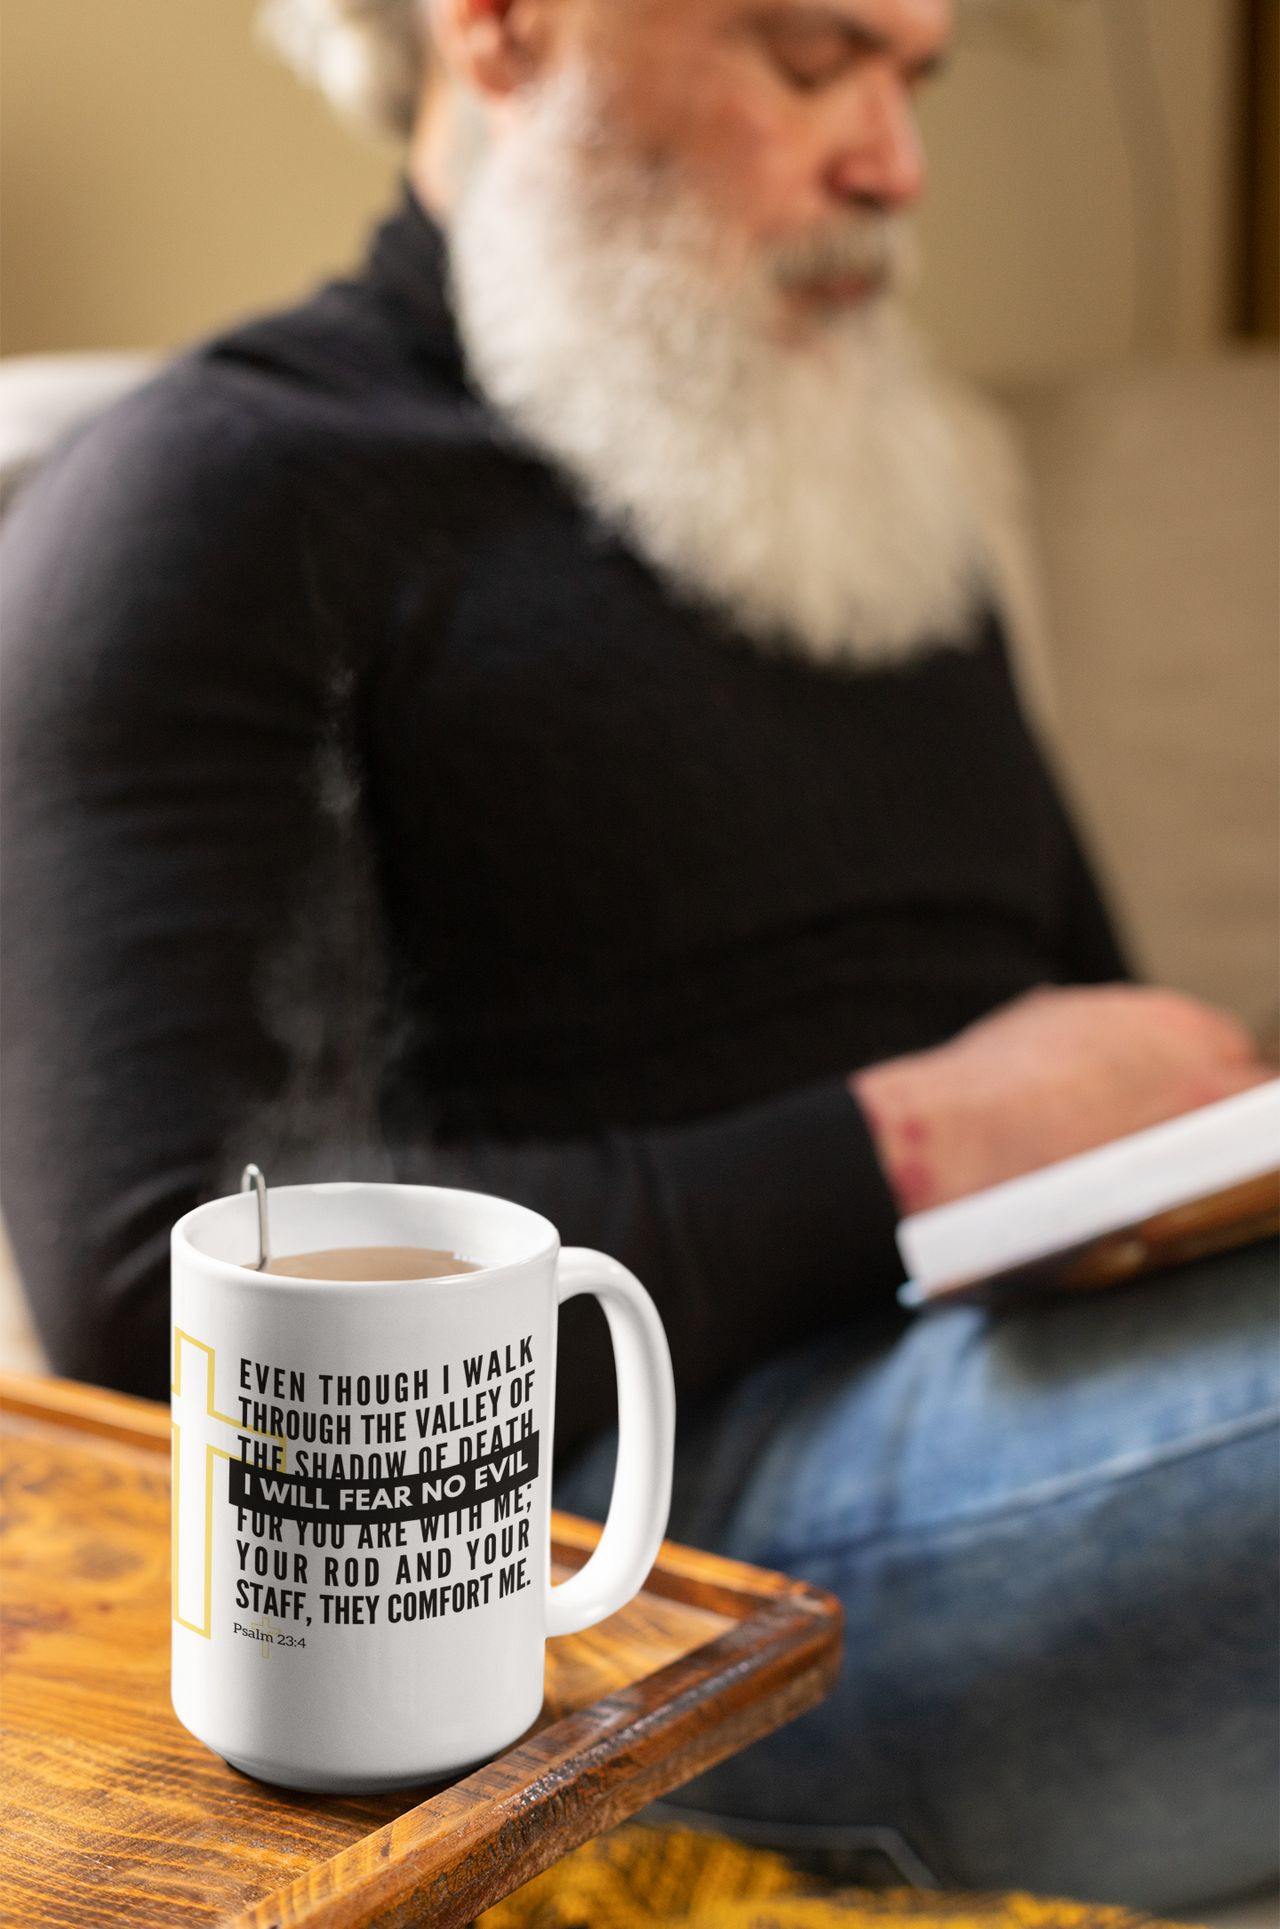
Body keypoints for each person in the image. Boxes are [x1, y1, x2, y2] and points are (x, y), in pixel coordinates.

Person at [1, 0, 1274, 1905]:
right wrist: (910, 1145)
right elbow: (139, 1302)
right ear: (503, 26)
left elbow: (1097, 1044)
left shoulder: (886, 500)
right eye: (807, 55)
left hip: (1065, 1379)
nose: (897, 166)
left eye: (913, 81)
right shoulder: (218, 499)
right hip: (654, 1543)